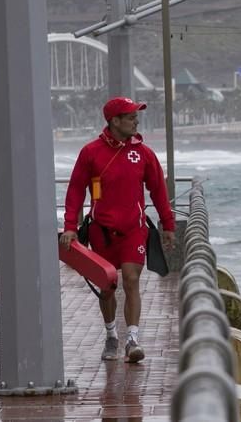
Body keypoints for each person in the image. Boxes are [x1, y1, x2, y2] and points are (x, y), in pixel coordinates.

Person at [60, 96, 176, 363]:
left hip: (134, 230)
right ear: (115, 121)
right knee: (108, 286)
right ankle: (111, 335)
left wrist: (167, 225)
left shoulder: (144, 153)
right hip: (102, 231)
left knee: (132, 279)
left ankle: (132, 340)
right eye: (131, 117)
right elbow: (76, 190)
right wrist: (70, 227)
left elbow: (158, 189)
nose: (136, 121)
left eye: (136, 116)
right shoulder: (91, 152)